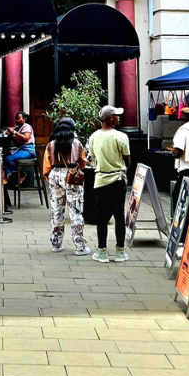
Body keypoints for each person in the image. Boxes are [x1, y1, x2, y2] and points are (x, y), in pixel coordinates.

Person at [88, 105, 130, 263]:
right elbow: (127, 158)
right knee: (119, 216)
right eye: (116, 115)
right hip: (117, 179)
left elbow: (92, 158)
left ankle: (102, 251)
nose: (119, 118)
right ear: (110, 118)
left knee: (101, 217)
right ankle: (120, 251)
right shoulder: (121, 137)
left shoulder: (94, 137)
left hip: (101, 180)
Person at [42, 117, 89, 256]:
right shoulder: (77, 143)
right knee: (76, 210)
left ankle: (56, 243)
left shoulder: (51, 144)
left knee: (56, 209)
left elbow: (46, 165)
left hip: (54, 174)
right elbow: (83, 162)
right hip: (72, 175)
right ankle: (79, 245)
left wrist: (48, 176)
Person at [3, 111, 36, 183]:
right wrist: (11, 135)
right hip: (22, 149)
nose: (16, 120)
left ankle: (21, 173)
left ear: (24, 119)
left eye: (18, 118)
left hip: (28, 150)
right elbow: (18, 143)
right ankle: (8, 177)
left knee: (9, 159)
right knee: (6, 157)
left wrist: (14, 132)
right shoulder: (18, 128)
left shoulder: (27, 126)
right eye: (15, 119)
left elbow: (26, 138)